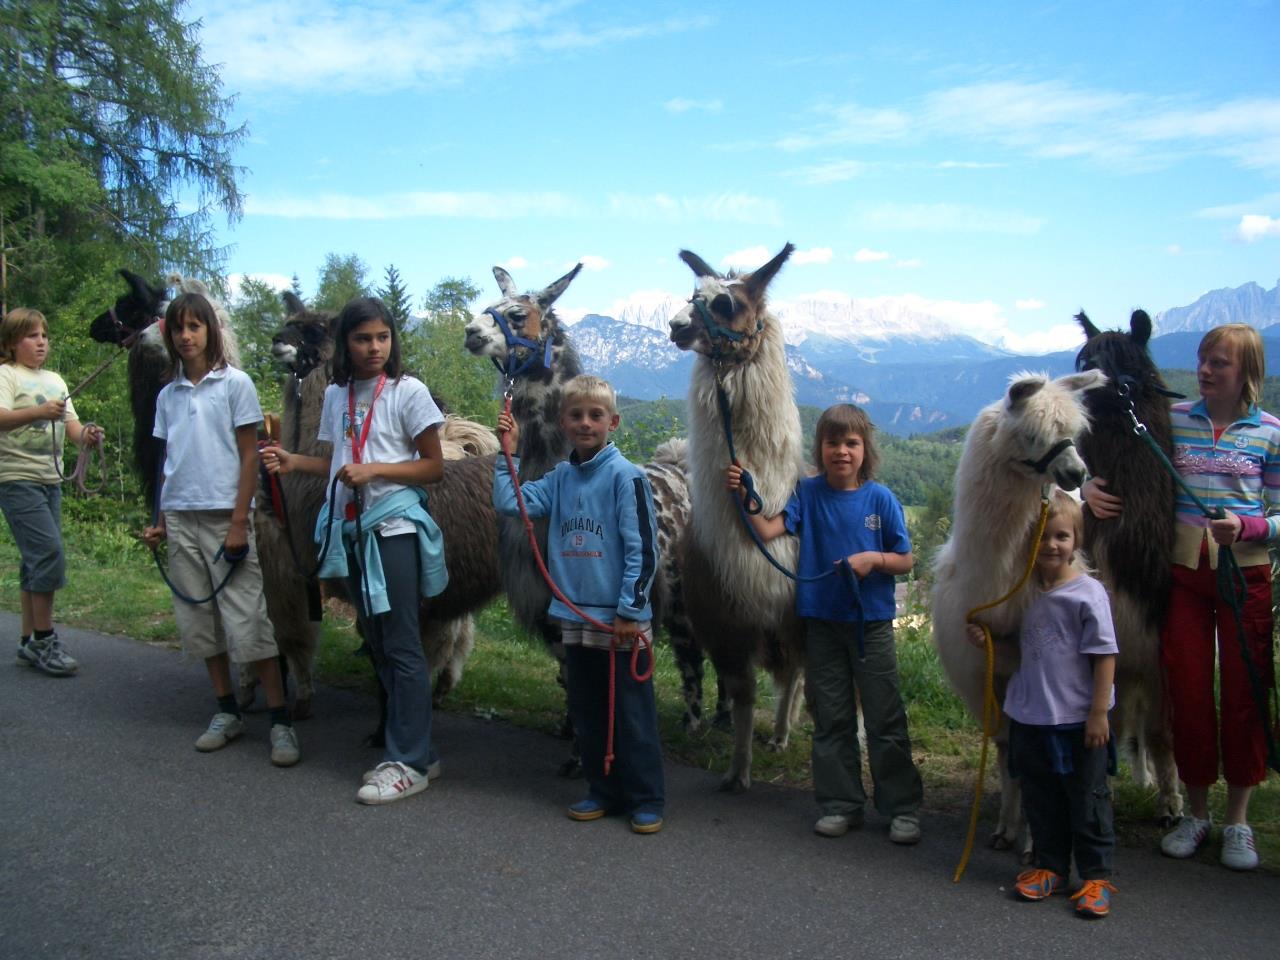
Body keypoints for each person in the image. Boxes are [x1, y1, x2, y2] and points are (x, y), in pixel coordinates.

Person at [1083, 322, 1278, 872]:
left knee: (1243, 694)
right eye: (1203, 360)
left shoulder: (1269, 433)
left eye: (1220, 363)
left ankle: (1238, 819)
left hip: (1244, 573)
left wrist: (1249, 527)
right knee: (1187, 692)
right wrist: (1085, 488)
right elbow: (1116, 457)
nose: (1206, 370)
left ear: (1247, 373)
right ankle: (1196, 813)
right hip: (1184, 575)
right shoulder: (1172, 422)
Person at [264, 296, 446, 804]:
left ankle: (408, 763)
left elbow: (432, 466)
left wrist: (376, 472)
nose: (374, 348)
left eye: (382, 337)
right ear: (344, 343)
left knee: (404, 643)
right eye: (363, 338)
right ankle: (419, 749)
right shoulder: (338, 396)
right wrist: (293, 461)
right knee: (379, 640)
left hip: (393, 529)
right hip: (351, 531)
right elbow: (341, 463)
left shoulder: (409, 392)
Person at [726, 403, 923, 845]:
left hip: (869, 626)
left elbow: (906, 559)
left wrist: (873, 559)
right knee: (831, 718)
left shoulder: (881, 500)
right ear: (820, 448)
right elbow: (767, 530)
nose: (841, 452)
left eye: (851, 443)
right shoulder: (808, 494)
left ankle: (902, 809)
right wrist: (745, 494)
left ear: (865, 449)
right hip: (821, 626)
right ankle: (840, 805)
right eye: (832, 443)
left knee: (884, 718)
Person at [493, 374, 665, 833]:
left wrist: (631, 611)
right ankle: (602, 789)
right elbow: (511, 502)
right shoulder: (560, 478)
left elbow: (643, 550)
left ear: (613, 421)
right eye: (576, 415)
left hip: (618, 620)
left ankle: (646, 797)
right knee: (588, 709)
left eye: (595, 415)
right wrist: (506, 450)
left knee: (630, 712)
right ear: (562, 421)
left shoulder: (627, 478)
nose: (586, 423)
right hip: (575, 615)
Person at [140, 293, 300, 767]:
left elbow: (250, 455)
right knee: (199, 623)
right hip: (182, 516)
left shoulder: (236, 385)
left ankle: (279, 720)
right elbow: (170, 462)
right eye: (178, 329)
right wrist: (160, 520)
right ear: (169, 336)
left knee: (247, 619)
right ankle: (226, 710)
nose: (186, 336)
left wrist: (238, 522)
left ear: (210, 330)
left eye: (195, 326)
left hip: (225, 517)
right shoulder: (167, 395)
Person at [968, 491, 1118, 918]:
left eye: (1061, 536)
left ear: (1077, 541)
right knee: (1041, 798)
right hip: (1031, 716)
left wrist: (1098, 713)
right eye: (1041, 538)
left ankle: (1095, 876)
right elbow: (1023, 644)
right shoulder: (1024, 594)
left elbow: (1106, 655)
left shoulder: (1088, 595)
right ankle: (1049, 867)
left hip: (1078, 720)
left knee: (1087, 799)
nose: (1051, 545)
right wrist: (990, 640)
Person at [0, 307, 104, 676]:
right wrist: (38, 412)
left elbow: (72, 426)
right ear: (13, 343)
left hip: (50, 480)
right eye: (31, 336)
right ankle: (45, 640)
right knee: (48, 554)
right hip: (16, 479)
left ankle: (28, 642)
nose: (41, 342)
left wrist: (87, 436)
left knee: (35, 561)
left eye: (44, 335)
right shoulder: (7, 375)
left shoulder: (57, 380)